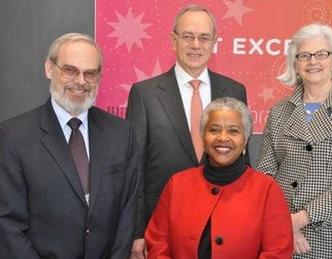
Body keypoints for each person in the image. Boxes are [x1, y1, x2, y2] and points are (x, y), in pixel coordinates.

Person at [0, 33, 141, 258]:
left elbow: (127, 212)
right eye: (70, 70)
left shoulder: (121, 134)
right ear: (49, 68)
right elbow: (8, 223)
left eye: (90, 73)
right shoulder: (14, 136)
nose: (80, 81)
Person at [126, 5, 247, 258]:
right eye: (187, 36)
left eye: (204, 37)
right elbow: (133, 168)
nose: (195, 45)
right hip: (162, 226)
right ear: (173, 40)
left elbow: (242, 163)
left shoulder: (234, 90)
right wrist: (137, 232)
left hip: (223, 224)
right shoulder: (145, 94)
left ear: (214, 43)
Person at [256, 23, 332, 258]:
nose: (313, 61)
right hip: (280, 233)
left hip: (330, 237)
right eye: (304, 55)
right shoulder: (280, 110)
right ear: (295, 64)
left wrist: (299, 220)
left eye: (322, 54)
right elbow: (264, 175)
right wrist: (284, 223)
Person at [145, 97, 293, 258]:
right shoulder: (177, 184)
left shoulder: (267, 189)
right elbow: (158, 243)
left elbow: (277, 253)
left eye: (233, 131)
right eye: (214, 129)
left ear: (245, 139)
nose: (222, 138)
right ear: (203, 136)